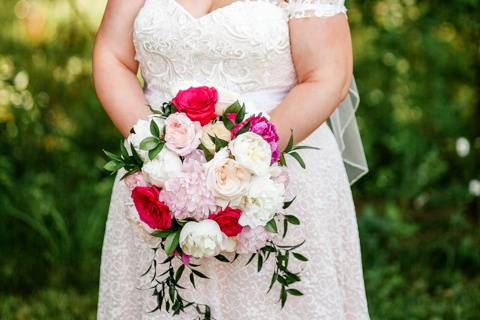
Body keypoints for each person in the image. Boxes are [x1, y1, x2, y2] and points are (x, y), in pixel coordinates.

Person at [93, 0, 370, 318]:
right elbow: (112, 56)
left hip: (277, 177)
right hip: (159, 181)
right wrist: (156, 150)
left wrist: (243, 163)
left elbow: (327, 76)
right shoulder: (158, 159)